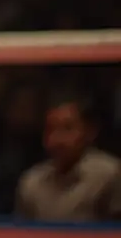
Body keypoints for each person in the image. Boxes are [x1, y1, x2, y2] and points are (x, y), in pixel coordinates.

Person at [15, 92, 121, 222]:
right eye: (50, 129)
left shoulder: (110, 174)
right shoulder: (31, 182)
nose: (57, 139)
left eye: (67, 128)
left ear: (90, 131)